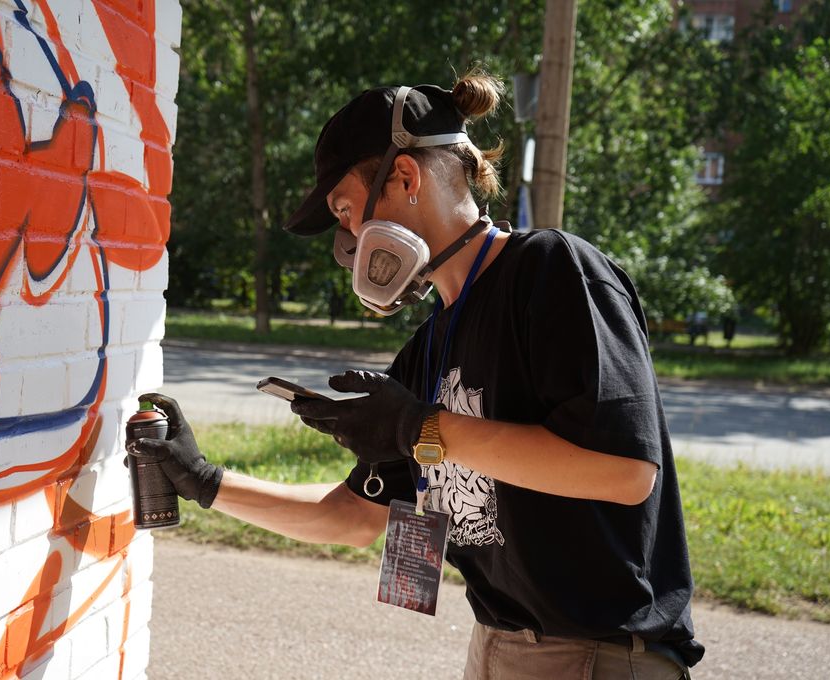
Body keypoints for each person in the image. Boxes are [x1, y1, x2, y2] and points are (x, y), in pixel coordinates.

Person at [128, 71, 704, 679]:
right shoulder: (428, 349)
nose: (349, 240)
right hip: (501, 643)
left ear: (404, 177)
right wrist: (207, 481)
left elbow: (624, 472)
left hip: (597, 655)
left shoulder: (552, 271)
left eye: (347, 213)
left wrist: (422, 426)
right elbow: (352, 517)